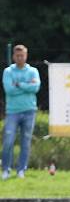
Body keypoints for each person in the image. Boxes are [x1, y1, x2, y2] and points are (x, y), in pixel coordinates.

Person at [2, 45, 40, 180]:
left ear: (26, 56)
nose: (20, 58)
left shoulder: (33, 71)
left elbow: (35, 87)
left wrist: (19, 84)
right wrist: (26, 86)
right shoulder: (8, 71)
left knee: (26, 142)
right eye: (17, 55)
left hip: (29, 111)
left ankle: (21, 170)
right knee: (8, 140)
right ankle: (6, 169)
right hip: (12, 112)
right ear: (13, 56)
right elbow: (9, 90)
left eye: (22, 55)